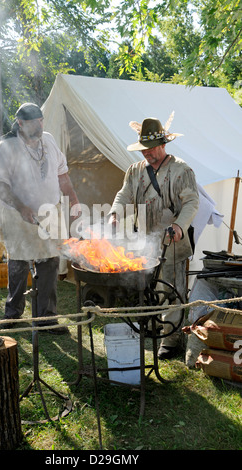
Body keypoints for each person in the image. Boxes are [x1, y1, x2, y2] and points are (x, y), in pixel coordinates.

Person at [108, 115, 199, 359]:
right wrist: (115, 214)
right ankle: (150, 327)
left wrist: (180, 226)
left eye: (150, 149)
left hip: (172, 242)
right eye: (143, 149)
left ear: (162, 145)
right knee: (146, 289)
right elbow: (123, 195)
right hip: (144, 243)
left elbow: (191, 202)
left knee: (170, 290)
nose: (146, 153)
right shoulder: (135, 170)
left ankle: (170, 339)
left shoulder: (182, 170)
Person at [0, 102, 80, 334]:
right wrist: (21, 207)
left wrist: (73, 198)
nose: (39, 126)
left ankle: (46, 319)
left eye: (41, 121)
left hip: (51, 211)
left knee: (49, 263)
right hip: (17, 215)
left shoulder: (47, 139)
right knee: (19, 264)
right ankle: (13, 315)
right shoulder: (6, 148)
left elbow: (62, 172)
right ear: (20, 123)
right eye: (33, 123)